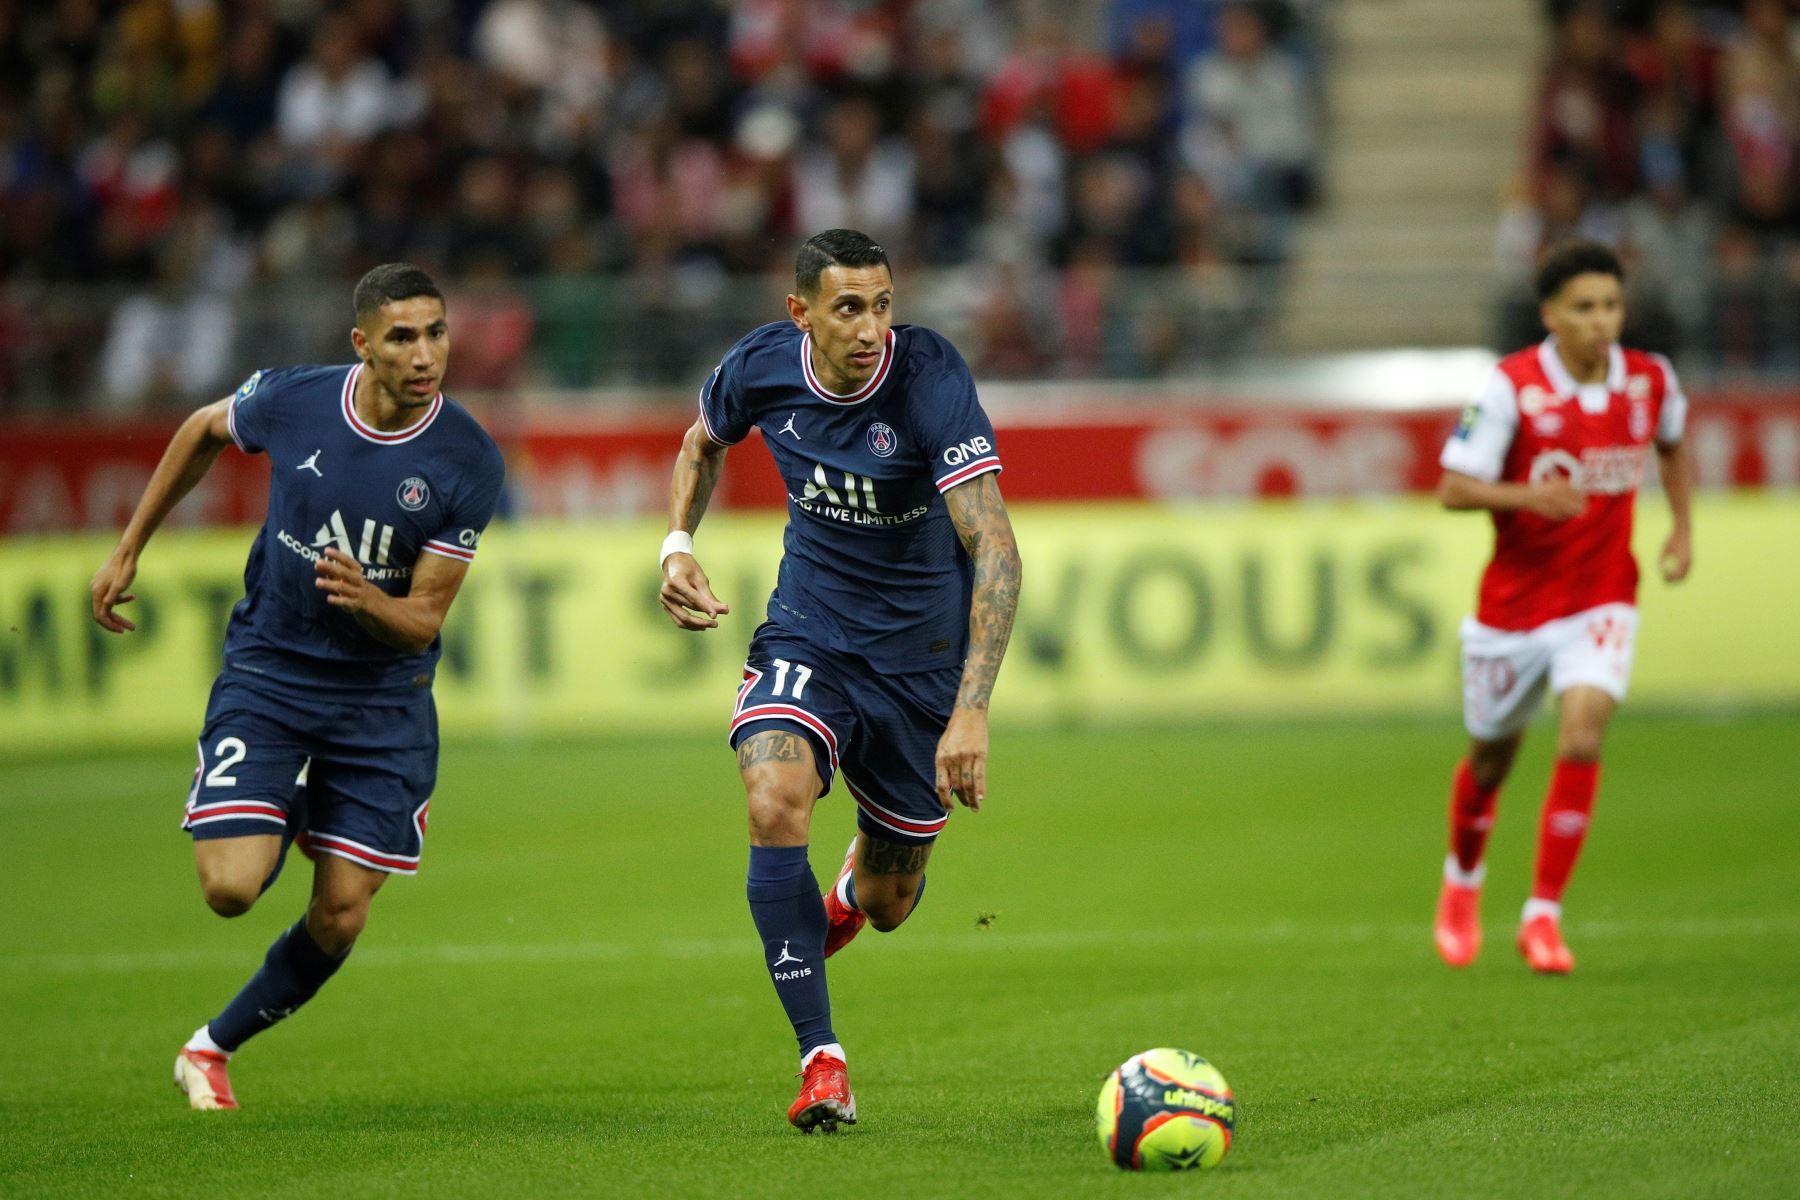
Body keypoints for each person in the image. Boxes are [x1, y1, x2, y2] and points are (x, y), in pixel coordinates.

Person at [89, 263, 505, 1109]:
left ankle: (211, 1047)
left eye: (436, 332)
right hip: (272, 675)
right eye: (401, 336)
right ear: (362, 344)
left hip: (382, 702)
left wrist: (368, 599)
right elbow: (204, 430)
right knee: (232, 890)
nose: (424, 354)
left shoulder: (468, 458)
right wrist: (130, 546)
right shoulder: (295, 398)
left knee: (342, 912)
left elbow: (425, 619)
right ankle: (296, 799)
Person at [658, 228, 1022, 1131]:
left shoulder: (930, 379)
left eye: (883, 305)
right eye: (848, 308)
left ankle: (852, 890)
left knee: (892, 903)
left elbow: (996, 547)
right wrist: (676, 544)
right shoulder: (761, 367)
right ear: (802, 312)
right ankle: (823, 1064)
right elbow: (703, 444)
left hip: (920, 669)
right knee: (774, 795)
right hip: (810, 636)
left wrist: (970, 712)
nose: (870, 328)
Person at [1432, 240, 1693, 975]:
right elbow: (1453, 487)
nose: (1602, 322)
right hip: (1513, 609)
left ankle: (1542, 914)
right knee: (1489, 761)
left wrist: (1681, 527)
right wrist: (1526, 497)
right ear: (1551, 315)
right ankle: (1462, 882)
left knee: (1581, 736)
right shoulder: (1511, 386)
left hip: (1603, 595)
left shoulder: (1650, 380)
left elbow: (1673, 445)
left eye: (1611, 305)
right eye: (1584, 308)